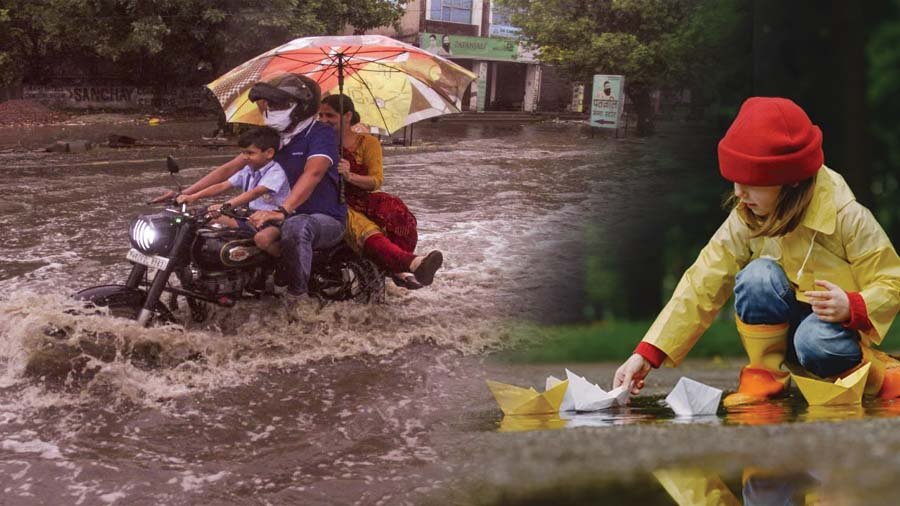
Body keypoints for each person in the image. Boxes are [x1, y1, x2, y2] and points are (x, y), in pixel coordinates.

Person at [612, 97, 900, 406]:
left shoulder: (848, 217)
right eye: (736, 179)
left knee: (813, 341)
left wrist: (853, 305)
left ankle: (878, 377)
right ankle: (764, 377)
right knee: (757, 276)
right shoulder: (746, 215)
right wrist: (647, 353)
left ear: (790, 181)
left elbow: (891, 281)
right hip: (785, 330)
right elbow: (703, 281)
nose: (738, 192)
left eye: (752, 181)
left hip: (831, 336)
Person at [157, 73, 345, 299]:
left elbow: (313, 173)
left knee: (296, 226)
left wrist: (282, 210)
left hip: (321, 217)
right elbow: (229, 169)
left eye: (281, 104)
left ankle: (298, 295)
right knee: (206, 221)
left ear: (302, 107)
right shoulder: (272, 139)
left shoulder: (320, 133)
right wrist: (185, 194)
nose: (273, 109)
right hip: (273, 213)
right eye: (271, 104)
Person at [319, 94, 443, 289]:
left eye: (330, 116)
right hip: (333, 202)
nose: (324, 120)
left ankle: (395, 267)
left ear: (348, 115)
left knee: (395, 210)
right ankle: (412, 263)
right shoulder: (318, 144)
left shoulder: (369, 143)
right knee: (361, 226)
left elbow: (375, 182)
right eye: (321, 116)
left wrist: (349, 175)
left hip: (362, 197)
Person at [176, 126, 288, 256]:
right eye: (243, 153)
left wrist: (225, 206)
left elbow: (255, 193)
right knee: (202, 218)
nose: (245, 157)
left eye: (250, 153)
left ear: (269, 153)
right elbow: (222, 185)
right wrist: (192, 197)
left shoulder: (276, 171)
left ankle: (281, 265)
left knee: (262, 239)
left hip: (271, 220)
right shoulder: (248, 169)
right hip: (249, 216)